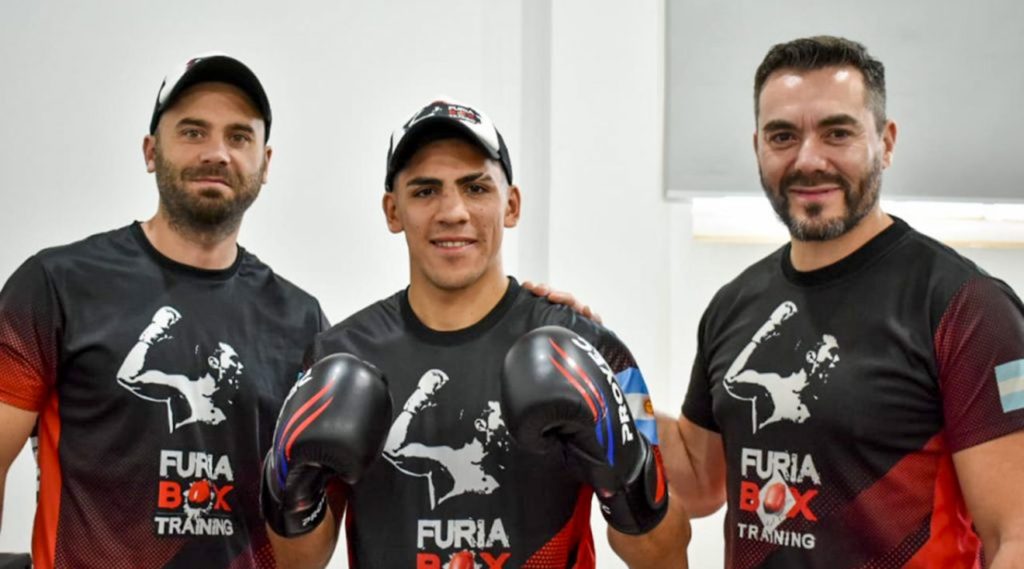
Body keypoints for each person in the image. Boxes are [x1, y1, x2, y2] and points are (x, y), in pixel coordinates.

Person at [259, 99, 691, 568]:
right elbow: (299, 561)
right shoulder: (340, 356)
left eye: (476, 187)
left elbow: (664, 556)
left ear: (512, 204)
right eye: (425, 191)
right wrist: (288, 479)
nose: (453, 212)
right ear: (392, 210)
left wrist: (628, 472)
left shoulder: (591, 349)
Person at [658, 35, 1024, 567]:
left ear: (886, 141)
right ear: (757, 146)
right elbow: (698, 480)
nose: (809, 160)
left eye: (837, 133)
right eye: (783, 136)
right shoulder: (733, 306)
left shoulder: (966, 309)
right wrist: (609, 374)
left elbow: (1014, 534)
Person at [0, 53, 329, 568]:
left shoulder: (300, 320)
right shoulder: (58, 285)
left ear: (265, 163)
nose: (216, 153)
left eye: (239, 137)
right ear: (151, 151)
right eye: (193, 132)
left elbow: (302, 557)